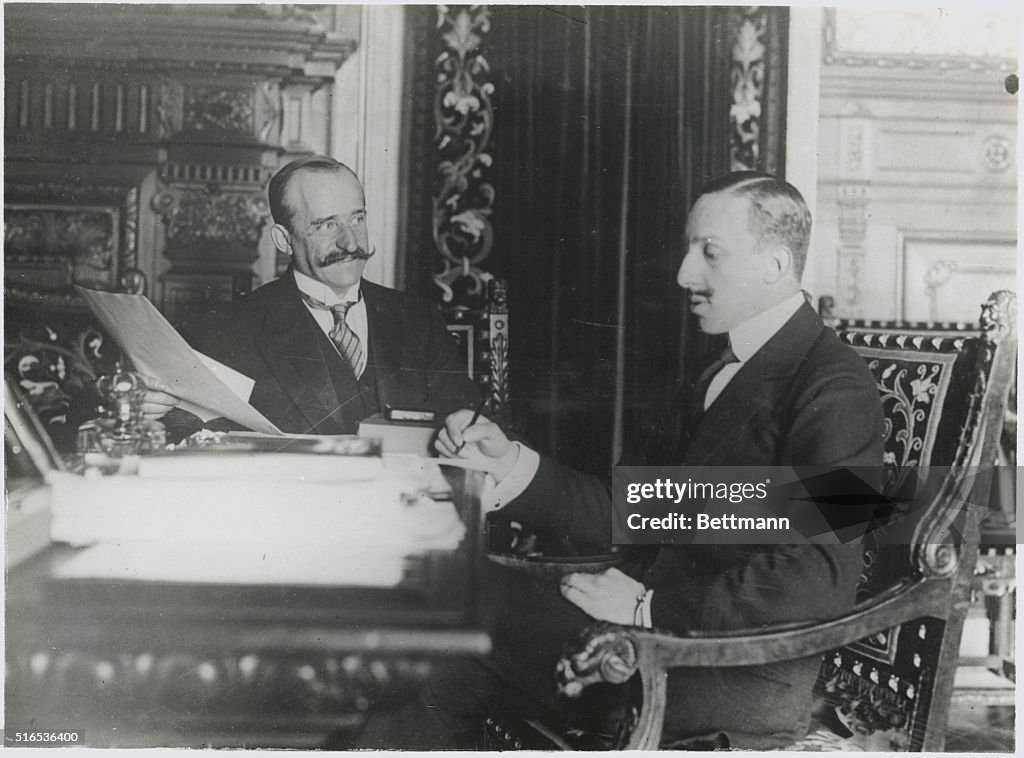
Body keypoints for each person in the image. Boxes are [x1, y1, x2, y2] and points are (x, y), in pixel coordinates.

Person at [365, 171, 885, 749]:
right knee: (440, 620)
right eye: (689, 249)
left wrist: (647, 607)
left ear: (776, 264)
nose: (684, 274)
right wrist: (508, 463)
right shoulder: (718, 367)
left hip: (722, 674)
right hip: (646, 641)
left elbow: (818, 576)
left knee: (448, 615)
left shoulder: (836, 387)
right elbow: (632, 508)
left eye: (709, 252)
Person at [141, 156, 480, 436]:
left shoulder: (419, 319)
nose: (351, 242)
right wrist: (150, 409)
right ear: (284, 240)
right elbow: (183, 430)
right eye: (326, 225)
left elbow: (467, 422)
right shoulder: (229, 330)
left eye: (357, 219)